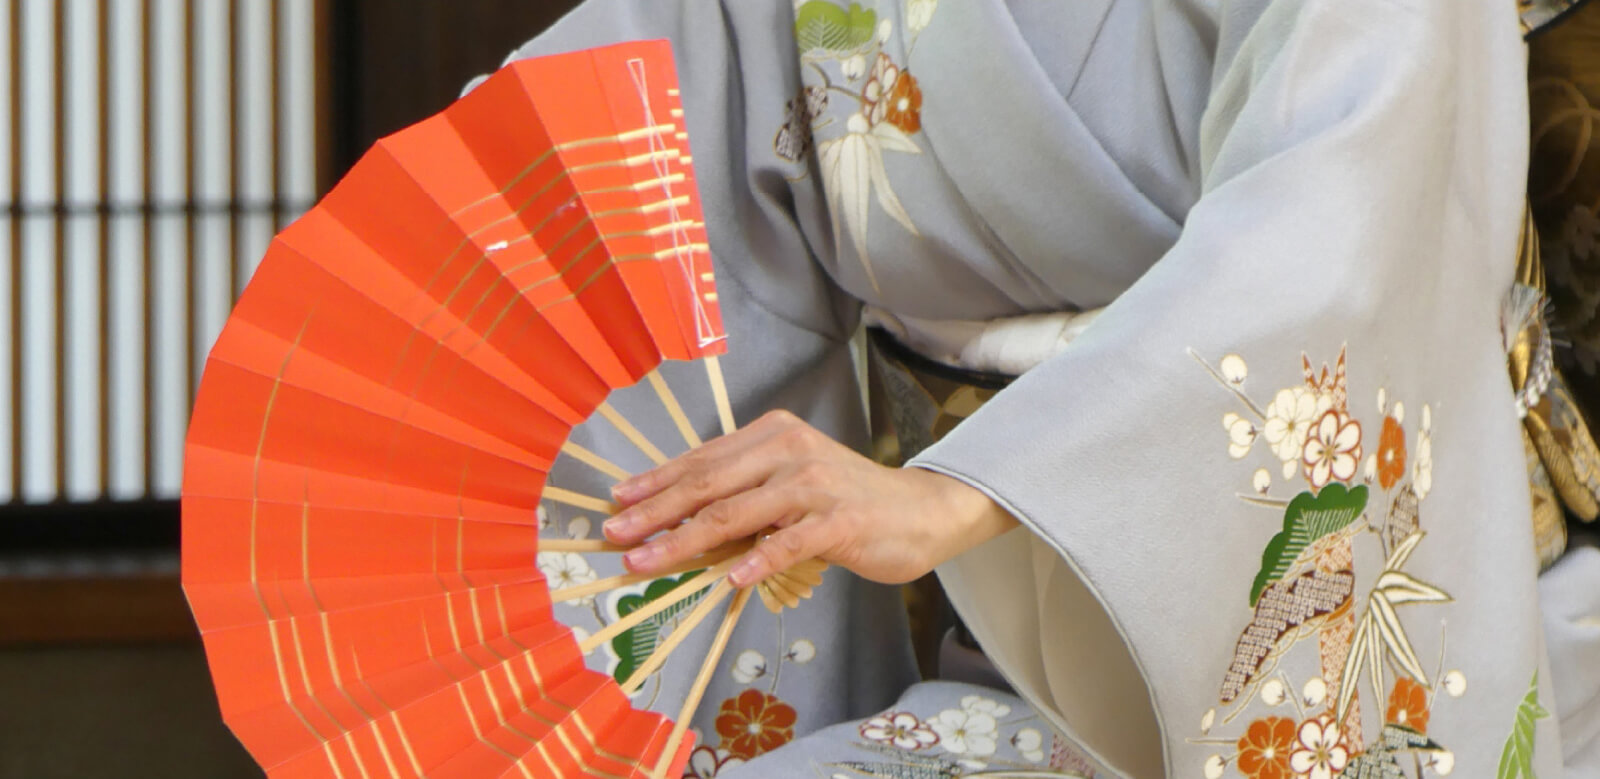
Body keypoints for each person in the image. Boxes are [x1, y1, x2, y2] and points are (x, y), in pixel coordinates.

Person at [472, 0, 1600, 775]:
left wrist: (963, 492)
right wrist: (466, 260)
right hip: (947, 620)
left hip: (1257, 626)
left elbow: (1332, 237)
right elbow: (619, 126)